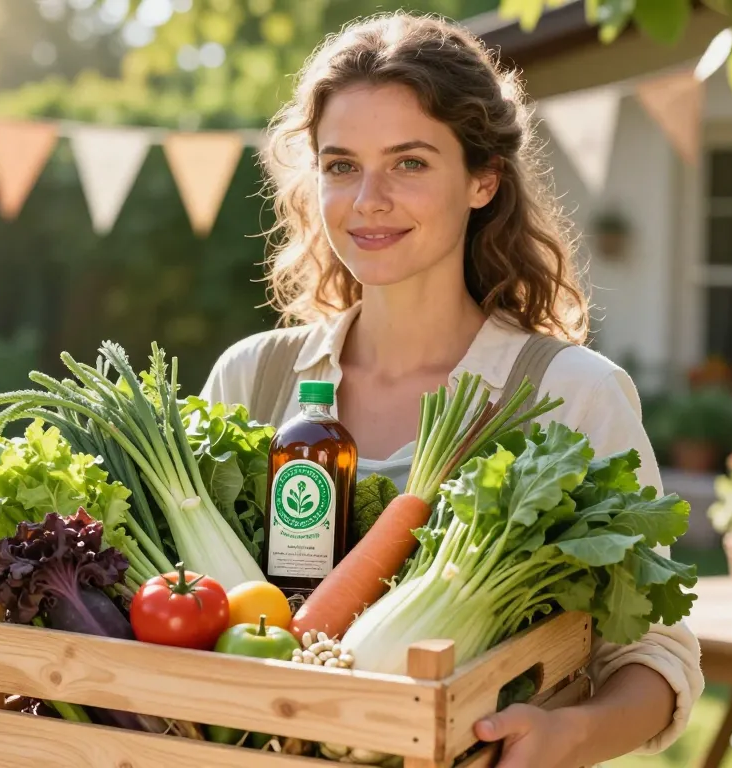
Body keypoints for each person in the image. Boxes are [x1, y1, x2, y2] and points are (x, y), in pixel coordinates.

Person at [200, 10, 703, 768]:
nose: (368, 199)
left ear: (482, 180)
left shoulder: (570, 394)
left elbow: (659, 656)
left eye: (408, 163)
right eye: (340, 165)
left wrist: (565, 737)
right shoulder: (253, 376)